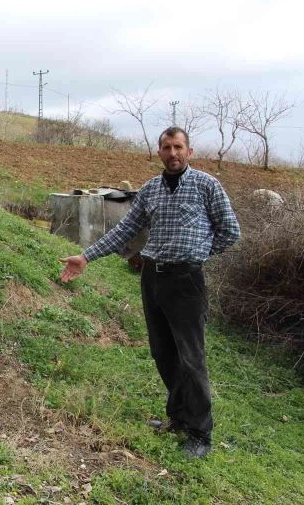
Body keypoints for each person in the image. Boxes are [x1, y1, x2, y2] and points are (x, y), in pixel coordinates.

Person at [59, 126, 240, 459]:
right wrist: (85, 256)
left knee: (191, 358)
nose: (173, 153)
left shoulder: (206, 186)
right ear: (158, 152)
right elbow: (126, 230)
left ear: (189, 152)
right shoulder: (150, 190)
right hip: (153, 279)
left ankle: (201, 433)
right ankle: (179, 418)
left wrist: (197, 252)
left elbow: (230, 230)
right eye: (167, 147)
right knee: (163, 353)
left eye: (178, 147)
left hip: (186, 281)